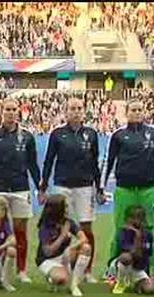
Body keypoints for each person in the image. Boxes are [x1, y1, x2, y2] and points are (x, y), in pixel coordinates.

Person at [40, 98, 105, 284]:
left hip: (85, 186)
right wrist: (43, 187)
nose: (76, 111)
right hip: (62, 186)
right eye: (72, 109)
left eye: (79, 108)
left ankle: (87, 270)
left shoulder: (91, 134)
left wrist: (99, 187)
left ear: (83, 111)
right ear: (65, 112)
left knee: (86, 228)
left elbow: (95, 164)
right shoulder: (57, 134)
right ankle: (61, 265)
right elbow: (49, 161)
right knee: (62, 226)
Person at [0, 98, 41, 283]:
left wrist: (40, 187)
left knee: (21, 231)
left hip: (21, 190)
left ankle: (21, 270)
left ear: (19, 111)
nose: (11, 112)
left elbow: (32, 165)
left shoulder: (28, 137)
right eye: (7, 109)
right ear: (1, 111)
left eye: (14, 109)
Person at [104, 99, 154, 264]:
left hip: (148, 189)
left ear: (144, 112)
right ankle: (113, 266)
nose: (137, 112)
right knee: (120, 228)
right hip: (124, 189)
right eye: (133, 110)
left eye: (140, 109)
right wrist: (101, 187)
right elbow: (109, 161)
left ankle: (151, 267)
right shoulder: (118, 135)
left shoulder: (152, 133)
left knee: (150, 227)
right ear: (126, 113)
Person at [35, 195, 92, 297]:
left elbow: (84, 238)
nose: (67, 209)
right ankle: (53, 278)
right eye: (65, 206)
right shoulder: (45, 227)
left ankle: (74, 285)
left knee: (86, 248)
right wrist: (62, 236)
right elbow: (48, 251)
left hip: (65, 255)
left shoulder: (68, 222)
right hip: (48, 259)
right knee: (61, 279)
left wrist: (73, 247)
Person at [106, 205, 154, 295]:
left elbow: (147, 256)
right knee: (126, 257)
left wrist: (148, 275)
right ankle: (120, 282)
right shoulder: (123, 233)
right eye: (133, 218)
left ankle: (137, 285)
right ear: (127, 220)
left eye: (140, 218)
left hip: (138, 268)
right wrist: (137, 237)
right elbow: (132, 254)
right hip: (122, 266)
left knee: (150, 289)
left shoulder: (148, 235)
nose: (136, 221)